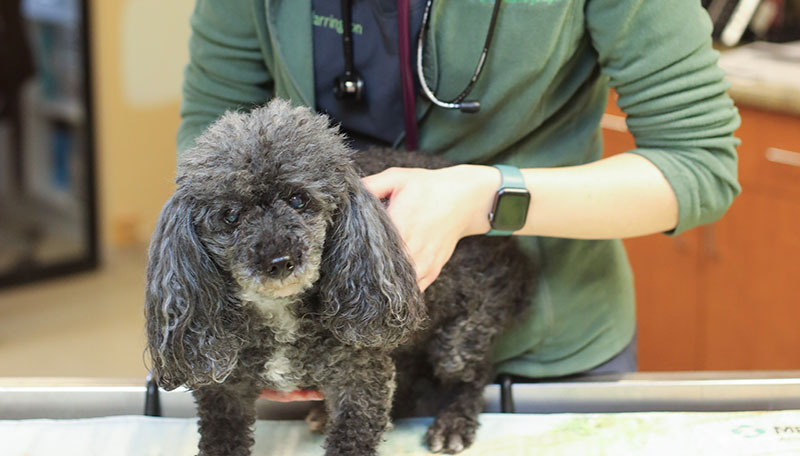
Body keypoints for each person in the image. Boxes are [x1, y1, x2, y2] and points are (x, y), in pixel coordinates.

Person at [176, 0, 740, 399]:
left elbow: (698, 166)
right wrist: (243, 319)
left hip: (547, 349)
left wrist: (486, 199)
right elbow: (207, 155)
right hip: (331, 357)